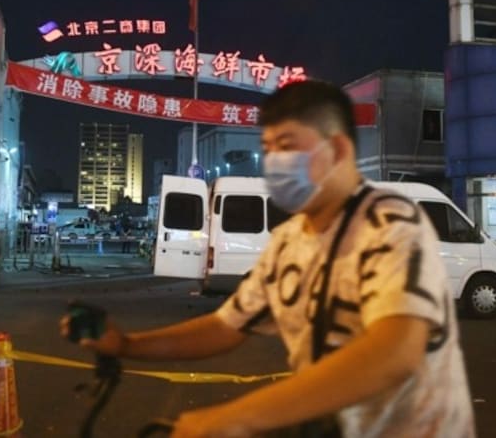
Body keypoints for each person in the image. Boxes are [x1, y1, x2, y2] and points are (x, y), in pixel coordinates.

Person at [61, 80, 475, 437]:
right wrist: (127, 345)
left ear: (339, 150)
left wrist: (235, 417)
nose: (275, 162)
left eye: (289, 147)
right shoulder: (288, 240)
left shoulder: (391, 222)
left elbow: (394, 353)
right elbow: (226, 326)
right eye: (269, 148)